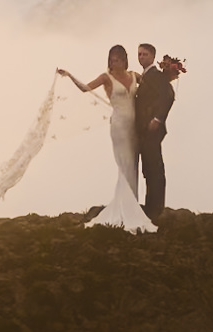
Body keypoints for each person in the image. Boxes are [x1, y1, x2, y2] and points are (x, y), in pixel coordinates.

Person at [55, 45, 155, 233]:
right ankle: (126, 209)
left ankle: (131, 205)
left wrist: (169, 74)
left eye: (116, 59)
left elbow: (151, 86)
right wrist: (69, 75)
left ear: (124, 60)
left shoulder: (134, 75)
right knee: (124, 164)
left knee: (133, 164)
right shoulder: (105, 77)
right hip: (119, 126)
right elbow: (85, 88)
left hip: (134, 127)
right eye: (111, 59)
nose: (113, 62)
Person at [133, 44, 179, 217]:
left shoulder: (155, 75)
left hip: (152, 129)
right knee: (149, 168)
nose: (141, 57)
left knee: (154, 167)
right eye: (139, 54)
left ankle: (156, 207)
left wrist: (158, 119)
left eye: (145, 54)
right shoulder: (146, 76)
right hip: (144, 129)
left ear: (153, 56)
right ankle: (151, 205)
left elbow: (168, 95)